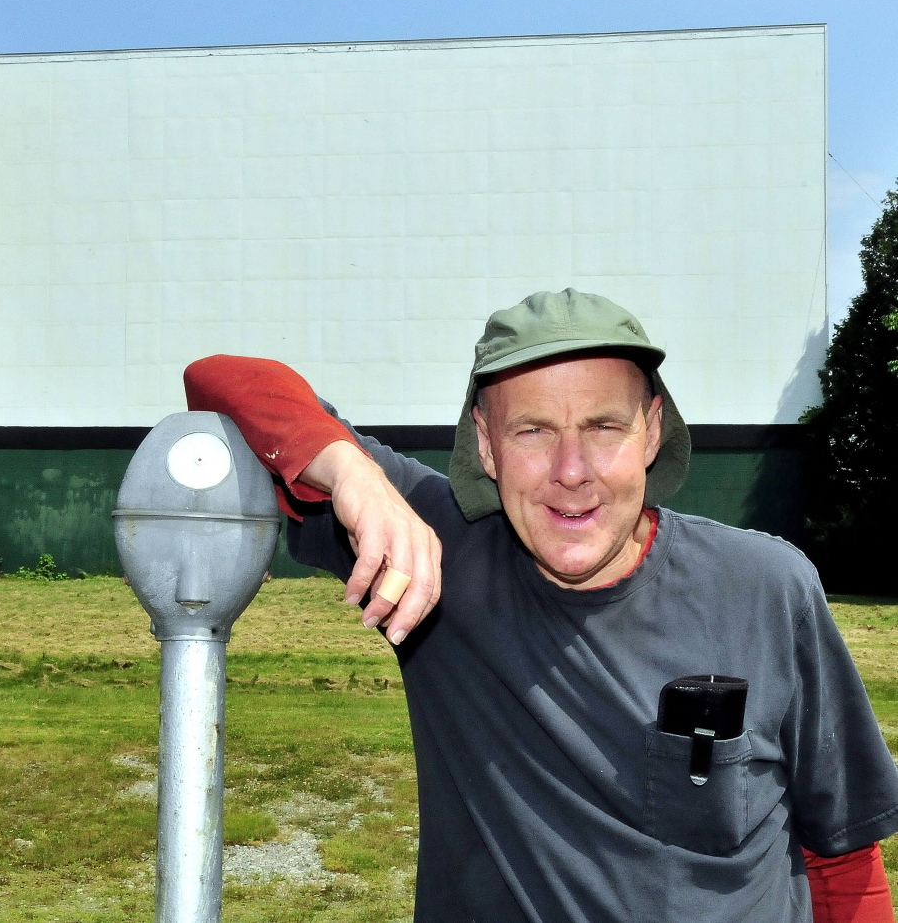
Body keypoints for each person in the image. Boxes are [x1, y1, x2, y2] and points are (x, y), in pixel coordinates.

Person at [184, 288, 898, 923]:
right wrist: (354, 478)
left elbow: (841, 851)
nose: (570, 472)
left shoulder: (767, 586)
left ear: (650, 431)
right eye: (531, 431)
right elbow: (217, 380)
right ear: (485, 446)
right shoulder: (437, 550)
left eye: (602, 426)